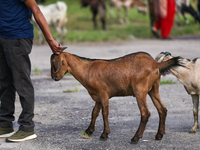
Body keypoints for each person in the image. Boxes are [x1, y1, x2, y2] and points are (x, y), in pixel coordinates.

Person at [0, 0, 62, 142]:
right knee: (4, 82)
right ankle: (5, 124)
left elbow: (36, 10)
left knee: (22, 82)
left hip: (18, 37)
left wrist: (50, 40)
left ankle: (27, 127)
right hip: (2, 36)